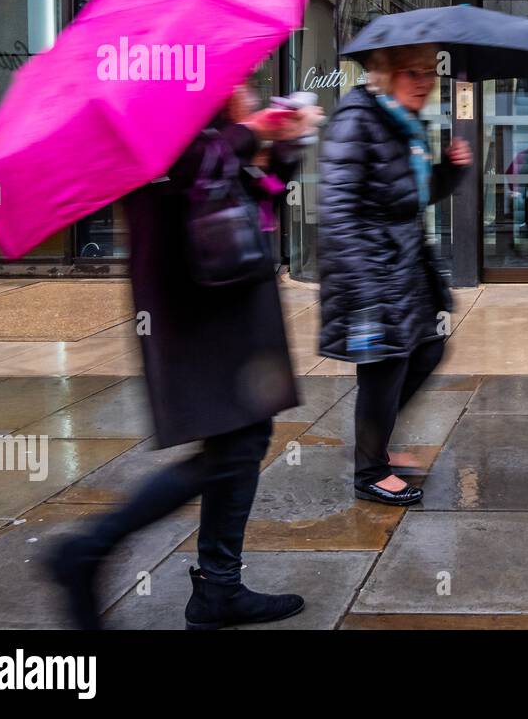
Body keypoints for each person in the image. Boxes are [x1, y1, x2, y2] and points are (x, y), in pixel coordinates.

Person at [48, 82, 322, 630]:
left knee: (244, 438)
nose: (242, 82)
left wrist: (285, 146)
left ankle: (219, 586)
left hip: (230, 296)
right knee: (234, 445)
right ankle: (89, 551)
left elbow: (258, 197)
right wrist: (253, 130)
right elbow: (182, 168)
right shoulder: (153, 103)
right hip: (194, 303)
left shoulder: (211, 115)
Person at [317, 43, 471, 505]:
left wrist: (449, 172)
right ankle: (370, 471)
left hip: (402, 268)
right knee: (386, 367)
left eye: (429, 72)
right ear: (384, 73)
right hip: (372, 274)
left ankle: (374, 444)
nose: (424, 82)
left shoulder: (402, 125)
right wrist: (365, 289)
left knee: (427, 348)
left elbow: (409, 198)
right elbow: (337, 211)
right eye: (411, 72)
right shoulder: (357, 120)